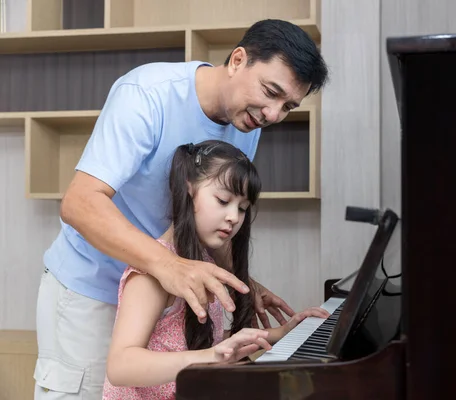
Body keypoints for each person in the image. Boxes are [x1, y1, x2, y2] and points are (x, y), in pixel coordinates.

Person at [34, 19, 329, 399]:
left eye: (288, 106)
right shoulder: (147, 94)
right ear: (238, 60)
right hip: (93, 288)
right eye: (270, 92)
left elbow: (202, 217)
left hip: (162, 294)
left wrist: (237, 281)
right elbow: (80, 202)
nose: (273, 114)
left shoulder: (249, 121)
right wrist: (167, 265)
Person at [101, 140, 329, 399]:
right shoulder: (154, 273)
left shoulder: (204, 263)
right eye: (223, 201)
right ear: (189, 187)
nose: (234, 217)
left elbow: (189, 343)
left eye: (242, 208)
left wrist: (282, 333)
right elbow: (120, 366)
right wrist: (212, 357)